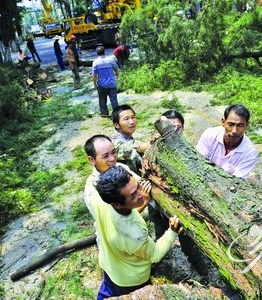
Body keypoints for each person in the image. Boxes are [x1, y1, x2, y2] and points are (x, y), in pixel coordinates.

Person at [93, 165, 183, 299]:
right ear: (117, 204)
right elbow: (156, 254)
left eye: (138, 186)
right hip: (130, 280)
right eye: (134, 195)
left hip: (109, 265)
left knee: (107, 292)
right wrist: (172, 232)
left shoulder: (99, 199)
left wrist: (143, 201)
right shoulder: (135, 233)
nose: (143, 194)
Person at [149, 110, 209, 277]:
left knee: (189, 246)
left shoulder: (189, 154)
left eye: (178, 128)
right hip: (159, 209)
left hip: (182, 213)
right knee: (161, 240)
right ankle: (160, 270)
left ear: (183, 129)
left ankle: (204, 275)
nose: (174, 132)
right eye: (169, 127)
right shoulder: (153, 151)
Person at [83, 134, 149, 219]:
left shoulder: (120, 166)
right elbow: (115, 221)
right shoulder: (92, 190)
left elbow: (142, 183)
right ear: (92, 160)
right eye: (105, 156)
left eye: (114, 152)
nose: (112, 159)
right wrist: (145, 201)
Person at [196, 104, 258, 179]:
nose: (234, 131)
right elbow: (197, 162)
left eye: (240, 125)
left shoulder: (250, 153)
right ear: (223, 122)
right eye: (231, 124)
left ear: (246, 126)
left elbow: (237, 182)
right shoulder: (210, 135)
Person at [110, 105, 149, 175]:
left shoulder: (127, 136)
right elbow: (137, 148)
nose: (131, 122)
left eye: (133, 117)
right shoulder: (114, 143)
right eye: (126, 119)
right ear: (116, 125)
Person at [92, 46, 119, 116]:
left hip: (102, 84)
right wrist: (116, 75)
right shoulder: (110, 60)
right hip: (112, 83)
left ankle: (104, 113)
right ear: (104, 51)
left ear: (97, 53)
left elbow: (94, 75)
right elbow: (116, 69)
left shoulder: (95, 62)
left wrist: (95, 84)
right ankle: (116, 113)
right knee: (114, 100)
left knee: (102, 100)